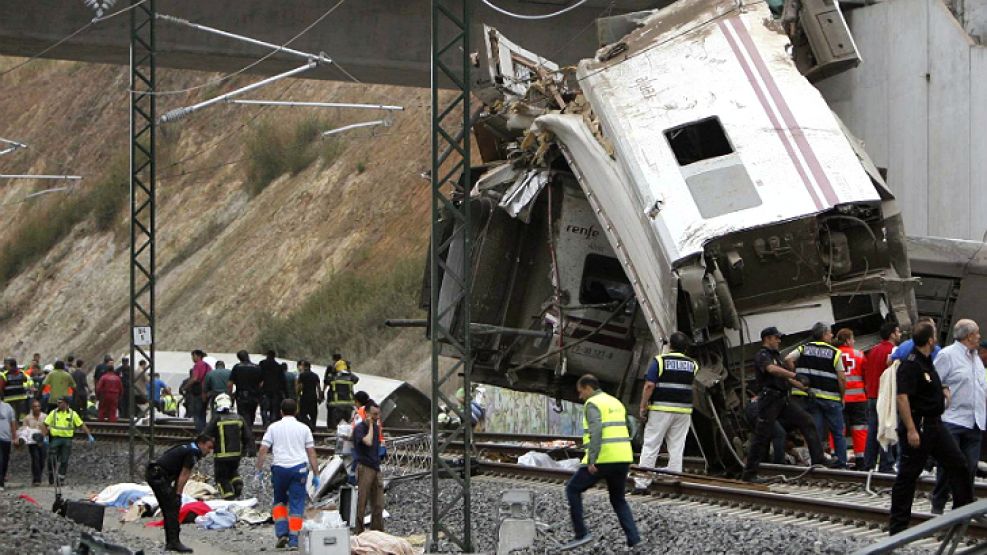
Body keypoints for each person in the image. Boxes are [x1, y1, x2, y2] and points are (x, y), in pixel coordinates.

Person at [889, 322, 973, 534]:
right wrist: (910, 429)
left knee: (958, 464)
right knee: (908, 476)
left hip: (936, 425)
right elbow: (902, 398)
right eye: (934, 335)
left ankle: (963, 512)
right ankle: (898, 528)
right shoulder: (910, 364)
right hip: (920, 426)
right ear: (930, 340)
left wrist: (942, 387)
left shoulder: (928, 362)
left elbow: (928, 384)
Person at [563, 374, 640, 549]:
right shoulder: (615, 402)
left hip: (603, 458)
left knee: (572, 489)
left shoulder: (592, 404)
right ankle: (634, 540)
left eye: (581, 392)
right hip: (623, 457)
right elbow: (630, 427)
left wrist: (592, 460)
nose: (580, 396)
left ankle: (581, 534)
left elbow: (596, 431)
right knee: (618, 499)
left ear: (588, 388)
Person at [742, 327, 826, 481]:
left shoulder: (776, 356)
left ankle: (819, 459)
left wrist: (803, 387)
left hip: (782, 399)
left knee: (806, 421)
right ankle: (750, 474)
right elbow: (772, 370)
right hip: (769, 400)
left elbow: (784, 378)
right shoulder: (762, 355)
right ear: (767, 338)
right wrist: (795, 374)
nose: (779, 341)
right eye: (776, 338)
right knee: (762, 436)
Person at [928, 319, 986, 514]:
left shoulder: (976, 358)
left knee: (969, 467)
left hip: (975, 421)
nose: (979, 337)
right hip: (952, 420)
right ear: (969, 336)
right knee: (949, 465)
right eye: (977, 333)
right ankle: (938, 504)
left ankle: (961, 509)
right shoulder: (947, 355)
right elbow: (933, 381)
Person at [635, 332, 698, 489]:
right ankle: (675, 477)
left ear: (670, 346)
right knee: (677, 445)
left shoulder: (660, 361)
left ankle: (642, 482)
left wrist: (643, 406)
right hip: (683, 411)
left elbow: (649, 385)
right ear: (685, 348)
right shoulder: (693, 364)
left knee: (651, 444)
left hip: (660, 409)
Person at [256, 399, 320, 549]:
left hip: (279, 469)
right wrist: (316, 473)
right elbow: (311, 452)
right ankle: (293, 539)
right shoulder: (304, 428)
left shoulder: (273, 427)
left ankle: (282, 533)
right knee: (297, 505)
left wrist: (259, 469)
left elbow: (263, 449)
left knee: (279, 502)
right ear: (296, 411)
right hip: (298, 469)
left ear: (281, 412)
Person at [789, 322, 848, 468]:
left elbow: (788, 359)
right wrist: (842, 396)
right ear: (824, 334)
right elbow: (842, 378)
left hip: (812, 397)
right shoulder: (835, 352)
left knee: (816, 432)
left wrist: (796, 375)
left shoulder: (803, 348)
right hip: (831, 399)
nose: (832, 335)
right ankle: (841, 463)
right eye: (830, 333)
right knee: (838, 433)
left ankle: (818, 461)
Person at [146, 434, 215, 552]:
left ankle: (171, 541)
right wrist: (178, 494)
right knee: (172, 507)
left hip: (156, 474)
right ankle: (173, 542)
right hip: (158, 476)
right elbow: (184, 474)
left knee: (169, 507)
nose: (209, 451)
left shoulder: (188, 446)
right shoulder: (193, 452)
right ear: (201, 444)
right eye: (208, 447)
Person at [863, 321, 900, 472]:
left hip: (871, 396)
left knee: (872, 432)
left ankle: (868, 463)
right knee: (886, 430)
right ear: (892, 334)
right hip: (885, 397)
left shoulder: (873, 350)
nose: (900, 334)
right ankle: (886, 464)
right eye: (897, 332)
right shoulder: (894, 351)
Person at [205, 393, 252, 500]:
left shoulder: (217, 419)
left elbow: (206, 434)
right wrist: (246, 450)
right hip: (236, 454)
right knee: (233, 471)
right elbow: (247, 436)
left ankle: (228, 497)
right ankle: (237, 483)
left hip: (221, 455)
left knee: (221, 478)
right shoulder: (239, 418)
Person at [41, 396, 94, 484]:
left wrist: (89, 435)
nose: (58, 404)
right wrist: (44, 436)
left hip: (67, 440)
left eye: (60, 402)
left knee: (64, 460)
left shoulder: (73, 414)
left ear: (66, 403)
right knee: (51, 458)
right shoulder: (53, 413)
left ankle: (61, 478)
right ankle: (51, 474)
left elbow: (81, 425)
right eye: (58, 402)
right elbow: (45, 424)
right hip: (55, 439)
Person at [835, 328, 868, 468]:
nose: (854, 341)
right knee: (860, 428)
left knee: (837, 428)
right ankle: (861, 459)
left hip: (839, 398)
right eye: (853, 339)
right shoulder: (859, 354)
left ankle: (837, 456)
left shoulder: (833, 354)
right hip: (859, 398)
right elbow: (866, 376)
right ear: (848, 340)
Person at [353, 403, 385, 535]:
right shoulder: (359, 429)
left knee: (378, 503)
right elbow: (368, 441)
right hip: (365, 467)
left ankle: (377, 531)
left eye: (378, 414)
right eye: (374, 414)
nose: (377, 417)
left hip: (375, 467)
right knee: (362, 501)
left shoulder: (377, 428)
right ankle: (359, 531)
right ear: (367, 414)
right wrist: (371, 425)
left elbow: (376, 446)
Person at [324, 353, 358, 430]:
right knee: (348, 425)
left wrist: (331, 372)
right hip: (348, 404)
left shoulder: (333, 376)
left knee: (335, 426)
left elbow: (326, 381)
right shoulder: (350, 376)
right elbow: (356, 379)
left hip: (336, 404)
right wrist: (349, 371)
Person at [229, 350, 264, 426]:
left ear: (239, 358)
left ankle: (246, 432)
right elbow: (261, 383)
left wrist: (230, 394)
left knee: (243, 415)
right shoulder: (257, 367)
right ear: (248, 356)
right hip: (254, 396)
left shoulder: (237, 367)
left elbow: (230, 383)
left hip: (241, 396)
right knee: (251, 414)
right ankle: (249, 429)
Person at [21, 399, 47, 485]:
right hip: (32, 442)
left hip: (43, 440)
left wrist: (43, 434)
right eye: (35, 406)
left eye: (38, 406)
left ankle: (38, 475)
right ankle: (37, 479)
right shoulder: (27, 418)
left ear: (40, 407)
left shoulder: (45, 416)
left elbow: (49, 428)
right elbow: (24, 429)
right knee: (35, 458)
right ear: (32, 408)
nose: (37, 408)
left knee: (42, 459)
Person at [260, 351, 287, 426]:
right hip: (275, 391)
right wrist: (285, 393)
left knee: (264, 409)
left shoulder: (262, 364)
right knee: (274, 409)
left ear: (267, 355)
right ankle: (272, 424)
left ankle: (265, 424)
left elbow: (259, 377)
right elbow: (283, 381)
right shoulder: (278, 366)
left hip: (264, 391)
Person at [188, 350, 212, 432]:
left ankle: (200, 433)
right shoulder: (207, 366)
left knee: (197, 414)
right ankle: (204, 432)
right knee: (203, 413)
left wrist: (186, 386)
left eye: (193, 356)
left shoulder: (197, 365)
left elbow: (194, 378)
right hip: (206, 393)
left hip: (198, 392)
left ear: (197, 356)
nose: (192, 358)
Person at [295, 361, 323, 431]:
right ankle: (313, 427)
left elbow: (299, 387)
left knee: (302, 415)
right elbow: (318, 387)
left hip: (304, 397)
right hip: (313, 397)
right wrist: (319, 397)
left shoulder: (302, 375)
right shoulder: (315, 375)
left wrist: (297, 394)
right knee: (313, 415)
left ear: (304, 366)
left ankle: (309, 425)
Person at [0, 394, 15, 491]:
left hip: (6, 438)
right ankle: (0, 482)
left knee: (5, 460)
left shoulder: (7, 407)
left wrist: (15, 437)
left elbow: (13, 422)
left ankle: (3, 477)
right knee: (0, 460)